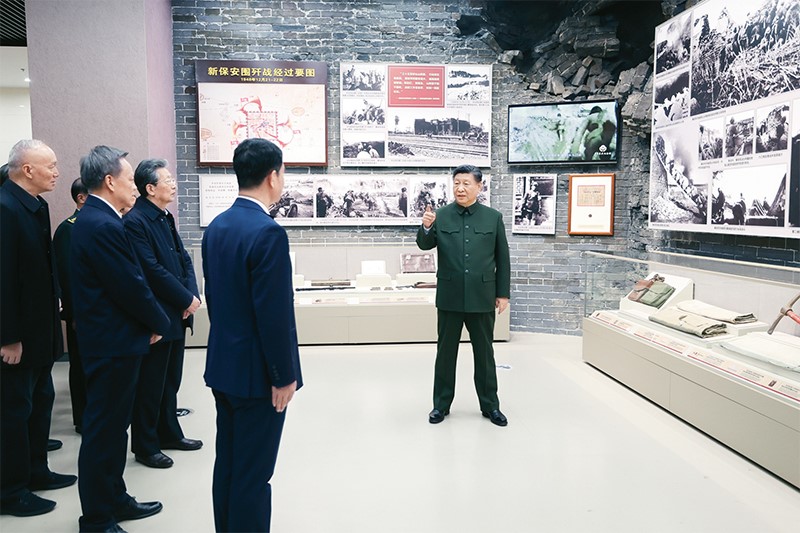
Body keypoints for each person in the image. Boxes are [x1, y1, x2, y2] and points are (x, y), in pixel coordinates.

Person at [203, 138, 303, 532]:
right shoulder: (268, 233)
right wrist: (283, 375)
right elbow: (274, 316)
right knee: (254, 475)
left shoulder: (217, 226)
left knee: (228, 465)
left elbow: (218, 299)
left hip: (224, 367)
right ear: (272, 176)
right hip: (257, 377)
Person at [71, 145, 171, 533]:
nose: (135, 186)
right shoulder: (103, 225)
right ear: (110, 181)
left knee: (113, 431)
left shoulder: (99, 218)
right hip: (111, 345)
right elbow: (130, 286)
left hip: (113, 342)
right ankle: (97, 518)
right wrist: (159, 321)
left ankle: (115, 499)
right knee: (104, 433)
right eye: (130, 179)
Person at [1, 140, 77, 518]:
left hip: (40, 330)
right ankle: (11, 491)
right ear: (27, 169)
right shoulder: (4, 208)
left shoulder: (36, 205)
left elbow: (45, 265)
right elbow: (3, 279)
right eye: (51, 166)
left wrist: (57, 297)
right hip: (18, 337)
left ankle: (36, 470)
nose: (57, 172)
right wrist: (8, 337)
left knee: (40, 400)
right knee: (13, 412)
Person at [416, 164, 511, 427]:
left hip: (482, 296)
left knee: (485, 354)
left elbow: (503, 258)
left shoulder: (493, 218)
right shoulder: (441, 215)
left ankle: (491, 406)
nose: (460, 188)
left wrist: (503, 294)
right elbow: (424, 244)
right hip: (450, 297)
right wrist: (426, 227)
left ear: (479, 186)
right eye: (457, 183)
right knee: (445, 354)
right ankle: (440, 405)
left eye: (466, 183)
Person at [123, 159, 202, 470]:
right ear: (150, 188)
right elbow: (150, 270)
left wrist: (191, 296)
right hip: (157, 314)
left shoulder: (164, 216)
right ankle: (146, 446)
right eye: (167, 180)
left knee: (171, 381)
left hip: (177, 312)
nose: (174, 184)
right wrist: (184, 297)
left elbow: (184, 259)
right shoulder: (135, 221)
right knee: (150, 385)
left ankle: (169, 433)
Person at [53, 177, 89, 434]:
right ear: (81, 198)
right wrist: (74, 313)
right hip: (81, 313)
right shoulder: (68, 229)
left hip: (99, 313)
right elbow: (67, 276)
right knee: (81, 367)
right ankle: (83, 419)